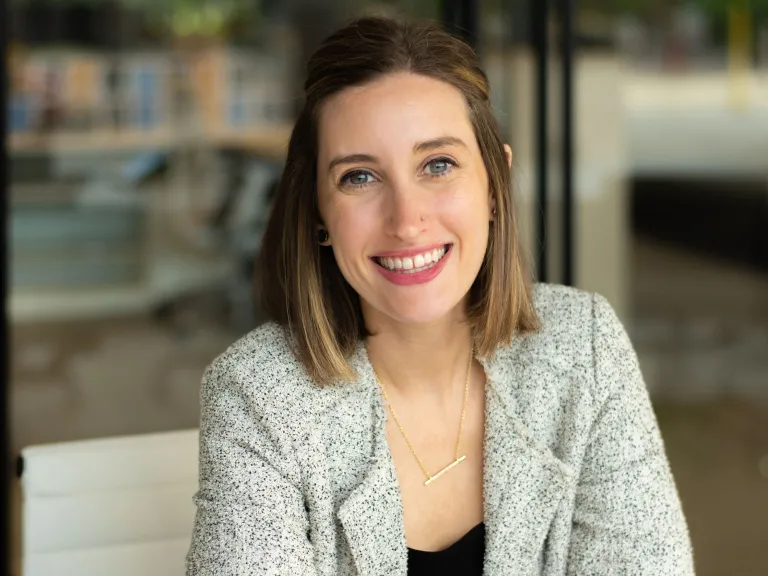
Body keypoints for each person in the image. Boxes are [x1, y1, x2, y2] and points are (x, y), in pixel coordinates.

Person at [186, 16, 695, 576]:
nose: (407, 221)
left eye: (438, 165)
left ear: (494, 185)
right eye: (359, 177)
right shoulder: (259, 396)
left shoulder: (585, 346)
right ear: (317, 213)